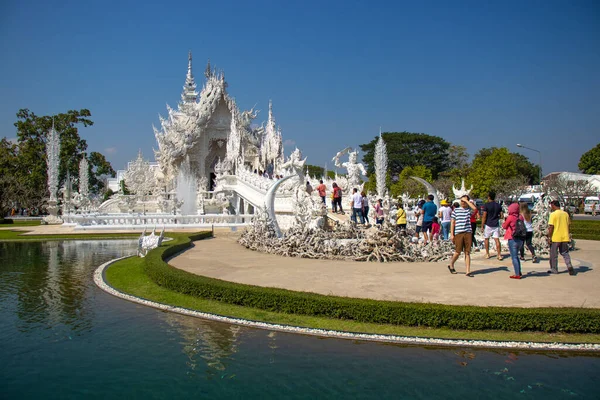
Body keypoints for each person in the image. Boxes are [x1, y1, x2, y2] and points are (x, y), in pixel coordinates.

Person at [448, 195, 477, 277]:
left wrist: (467, 201)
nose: (462, 202)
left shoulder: (468, 210)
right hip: (459, 232)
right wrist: (452, 234)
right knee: (458, 252)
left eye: (464, 201)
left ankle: (468, 271)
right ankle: (451, 264)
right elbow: (452, 222)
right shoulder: (456, 211)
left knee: (467, 252)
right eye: (462, 201)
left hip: (468, 232)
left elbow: (475, 209)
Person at [547, 200, 575, 275]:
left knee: (554, 254)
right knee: (565, 253)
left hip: (556, 237)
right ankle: (569, 265)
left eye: (551, 206)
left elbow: (551, 227)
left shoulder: (553, 214)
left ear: (553, 206)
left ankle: (554, 269)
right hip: (565, 237)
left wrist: (549, 237)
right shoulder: (565, 214)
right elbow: (568, 225)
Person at [502, 203, 524, 279]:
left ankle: (517, 274)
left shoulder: (510, 217)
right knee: (516, 256)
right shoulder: (520, 217)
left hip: (512, 238)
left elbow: (504, 226)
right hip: (520, 239)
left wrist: (505, 220)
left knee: (514, 257)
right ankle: (518, 271)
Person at [482, 191, 504, 261]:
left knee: (486, 239)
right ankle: (499, 254)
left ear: (489, 197)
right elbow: (501, 215)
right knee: (497, 240)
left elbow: (484, 216)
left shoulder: (487, 205)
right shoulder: (498, 205)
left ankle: (487, 253)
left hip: (488, 224)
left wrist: (482, 225)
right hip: (496, 224)